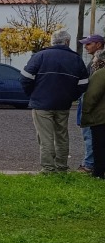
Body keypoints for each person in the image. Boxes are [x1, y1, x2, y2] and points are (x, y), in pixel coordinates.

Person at [20, 29, 89, 174]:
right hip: (63, 104)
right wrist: (71, 96)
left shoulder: (40, 56)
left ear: (52, 41)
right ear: (67, 42)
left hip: (41, 104)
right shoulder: (76, 59)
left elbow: (25, 78)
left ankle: (48, 168)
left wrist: (33, 94)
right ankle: (62, 166)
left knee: (45, 137)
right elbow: (83, 84)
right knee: (62, 135)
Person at [77, 34, 105, 173]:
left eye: (88, 44)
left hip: (96, 108)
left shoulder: (98, 61)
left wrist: (86, 110)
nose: (85, 47)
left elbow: (94, 90)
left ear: (98, 44)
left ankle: (90, 164)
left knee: (92, 136)